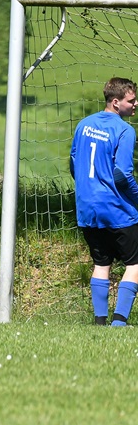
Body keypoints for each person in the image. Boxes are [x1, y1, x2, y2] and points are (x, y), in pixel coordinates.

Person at [69, 76, 138, 326]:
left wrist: (89, 188)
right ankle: (119, 323)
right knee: (134, 264)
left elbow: (73, 161)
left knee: (101, 263)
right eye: (132, 100)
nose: (136, 104)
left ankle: (99, 322)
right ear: (116, 102)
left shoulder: (84, 124)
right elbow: (122, 175)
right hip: (116, 209)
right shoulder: (125, 130)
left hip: (87, 208)